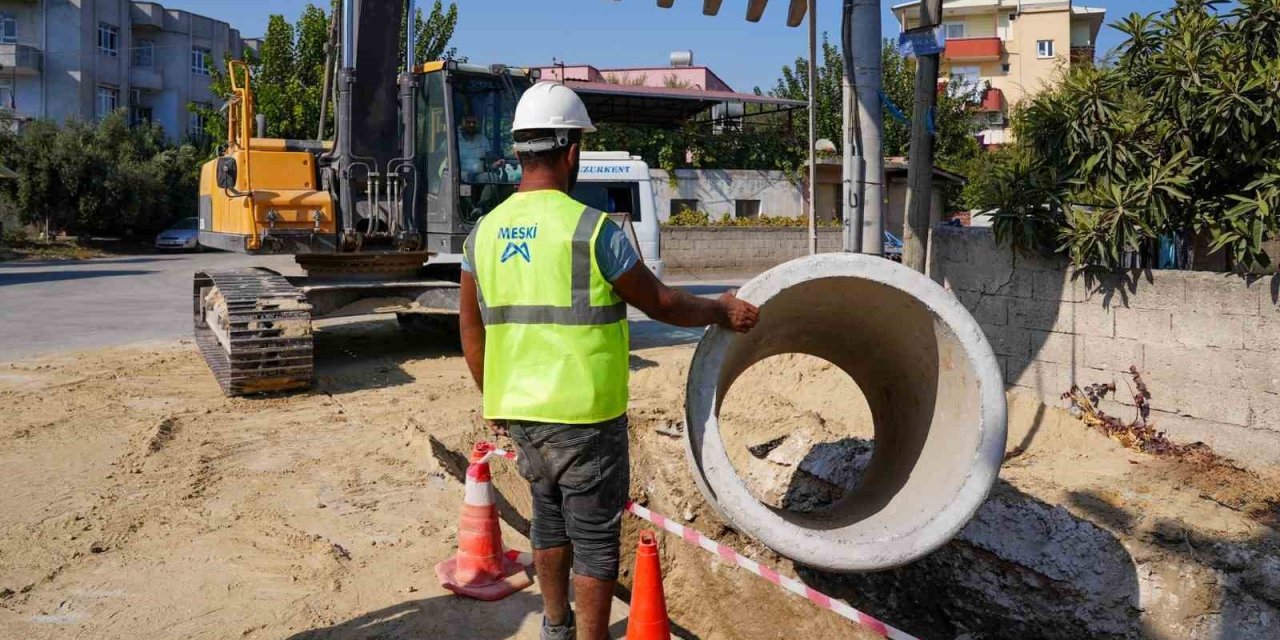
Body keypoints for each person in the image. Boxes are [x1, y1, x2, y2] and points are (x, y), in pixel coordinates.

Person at [458, 81, 759, 640]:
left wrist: (492, 396)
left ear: (520, 148)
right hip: (587, 418)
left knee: (547, 522)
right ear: (572, 151)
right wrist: (720, 308)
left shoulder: (483, 234)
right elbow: (662, 302)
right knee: (595, 541)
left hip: (522, 415)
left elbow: (470, 332)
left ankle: (556, 628)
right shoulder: (593, 231)